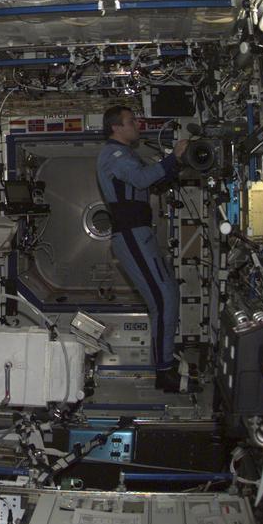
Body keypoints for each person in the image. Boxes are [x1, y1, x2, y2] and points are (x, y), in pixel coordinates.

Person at [95, 105, 190, 393]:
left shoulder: (127, 155)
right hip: (132, 235)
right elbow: (140, 179)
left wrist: (173, 166)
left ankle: (165, 363)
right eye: (131, 121)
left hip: (140, 234)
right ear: (116, 128)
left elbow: (147, 181)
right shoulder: (114, 155)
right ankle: (164, 372)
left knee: (168, 296)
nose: (137, 124)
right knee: (163, 300)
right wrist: (173, 157)